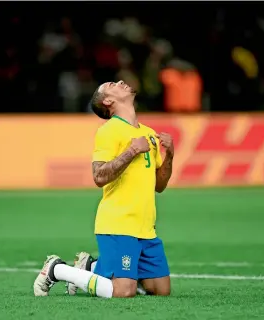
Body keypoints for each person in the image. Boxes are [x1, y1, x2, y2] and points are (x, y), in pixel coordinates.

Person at [34, 81, 174, 298]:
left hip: (146, 227)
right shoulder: (109, 131)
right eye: (111, 84)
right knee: (124, 291)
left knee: (160, 291)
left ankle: (91, 267)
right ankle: (57, 269)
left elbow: (160, 186)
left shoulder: (148, 133)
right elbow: (99, 176)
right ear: (108, 101)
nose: (120, 82)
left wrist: (170, 156)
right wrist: (131, 151)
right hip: (119, 224)